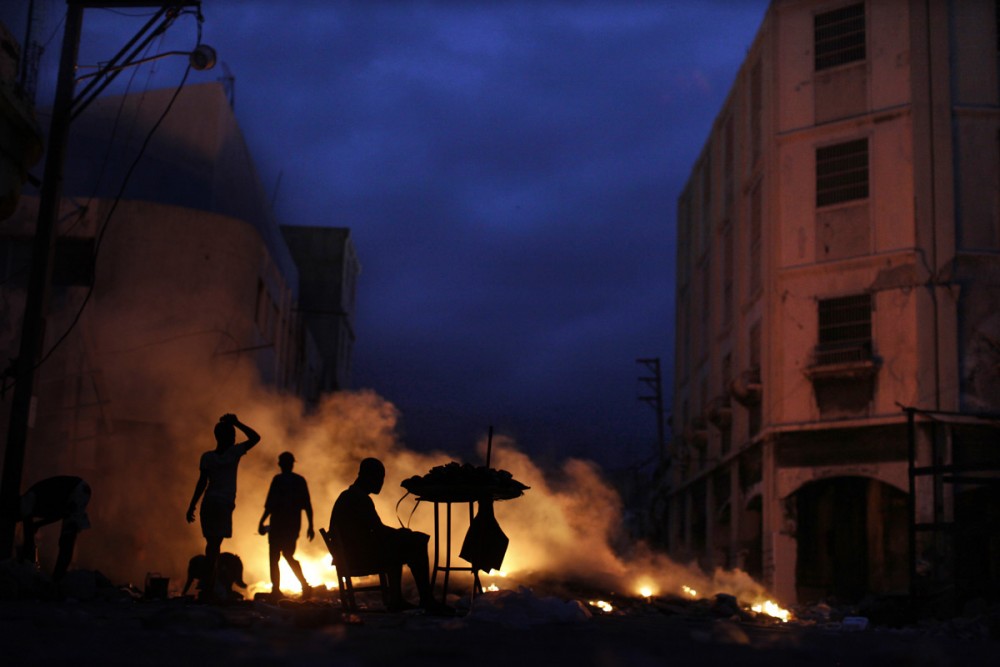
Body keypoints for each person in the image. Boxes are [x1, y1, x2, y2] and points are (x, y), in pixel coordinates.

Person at [329, 457, 451, 614]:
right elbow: (377, 531)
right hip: (357, 557)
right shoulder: (359, 499)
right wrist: (402, 534)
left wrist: (399, 535)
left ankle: (398, 599)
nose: (381, 483)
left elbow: (374, 530)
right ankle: (425, 599)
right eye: (379, 478)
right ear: (367, 476)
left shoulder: (350, 496)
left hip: (350, 554)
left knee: (406, 543)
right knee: (416, 544)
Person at [186, 413, 260, 601]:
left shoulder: (207, 457)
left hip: (209, 504)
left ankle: (210, 586)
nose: (235, 438)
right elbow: (255, 438)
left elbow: (202, 483)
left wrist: (192, 505)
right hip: (222, 505)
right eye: (232, 434)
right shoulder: (233, 453)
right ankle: (210, 588)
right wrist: (237, 422)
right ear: (226, 437)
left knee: (212, 547)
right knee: (214, 547)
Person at [258, 451, 314, 599]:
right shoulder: (299, 481)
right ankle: (302, 586)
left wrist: (262, 521)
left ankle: (277, 590)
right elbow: (307, 505)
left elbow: (270, 505)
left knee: (275, 557)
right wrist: (310, 526)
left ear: (281, 464)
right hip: (292, 525)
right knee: (288, 555)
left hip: (278, 525)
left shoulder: (278, 480)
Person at [19, 475, 91, 580]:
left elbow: (60, 512)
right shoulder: (30, 501)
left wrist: (27, 558)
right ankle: (58, 577)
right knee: (66, 538)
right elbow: (58, 513)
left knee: (67, 538)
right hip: (77, 491)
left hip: (77, 491)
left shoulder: (28, 503)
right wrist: (39, 525)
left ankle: (58, 578)